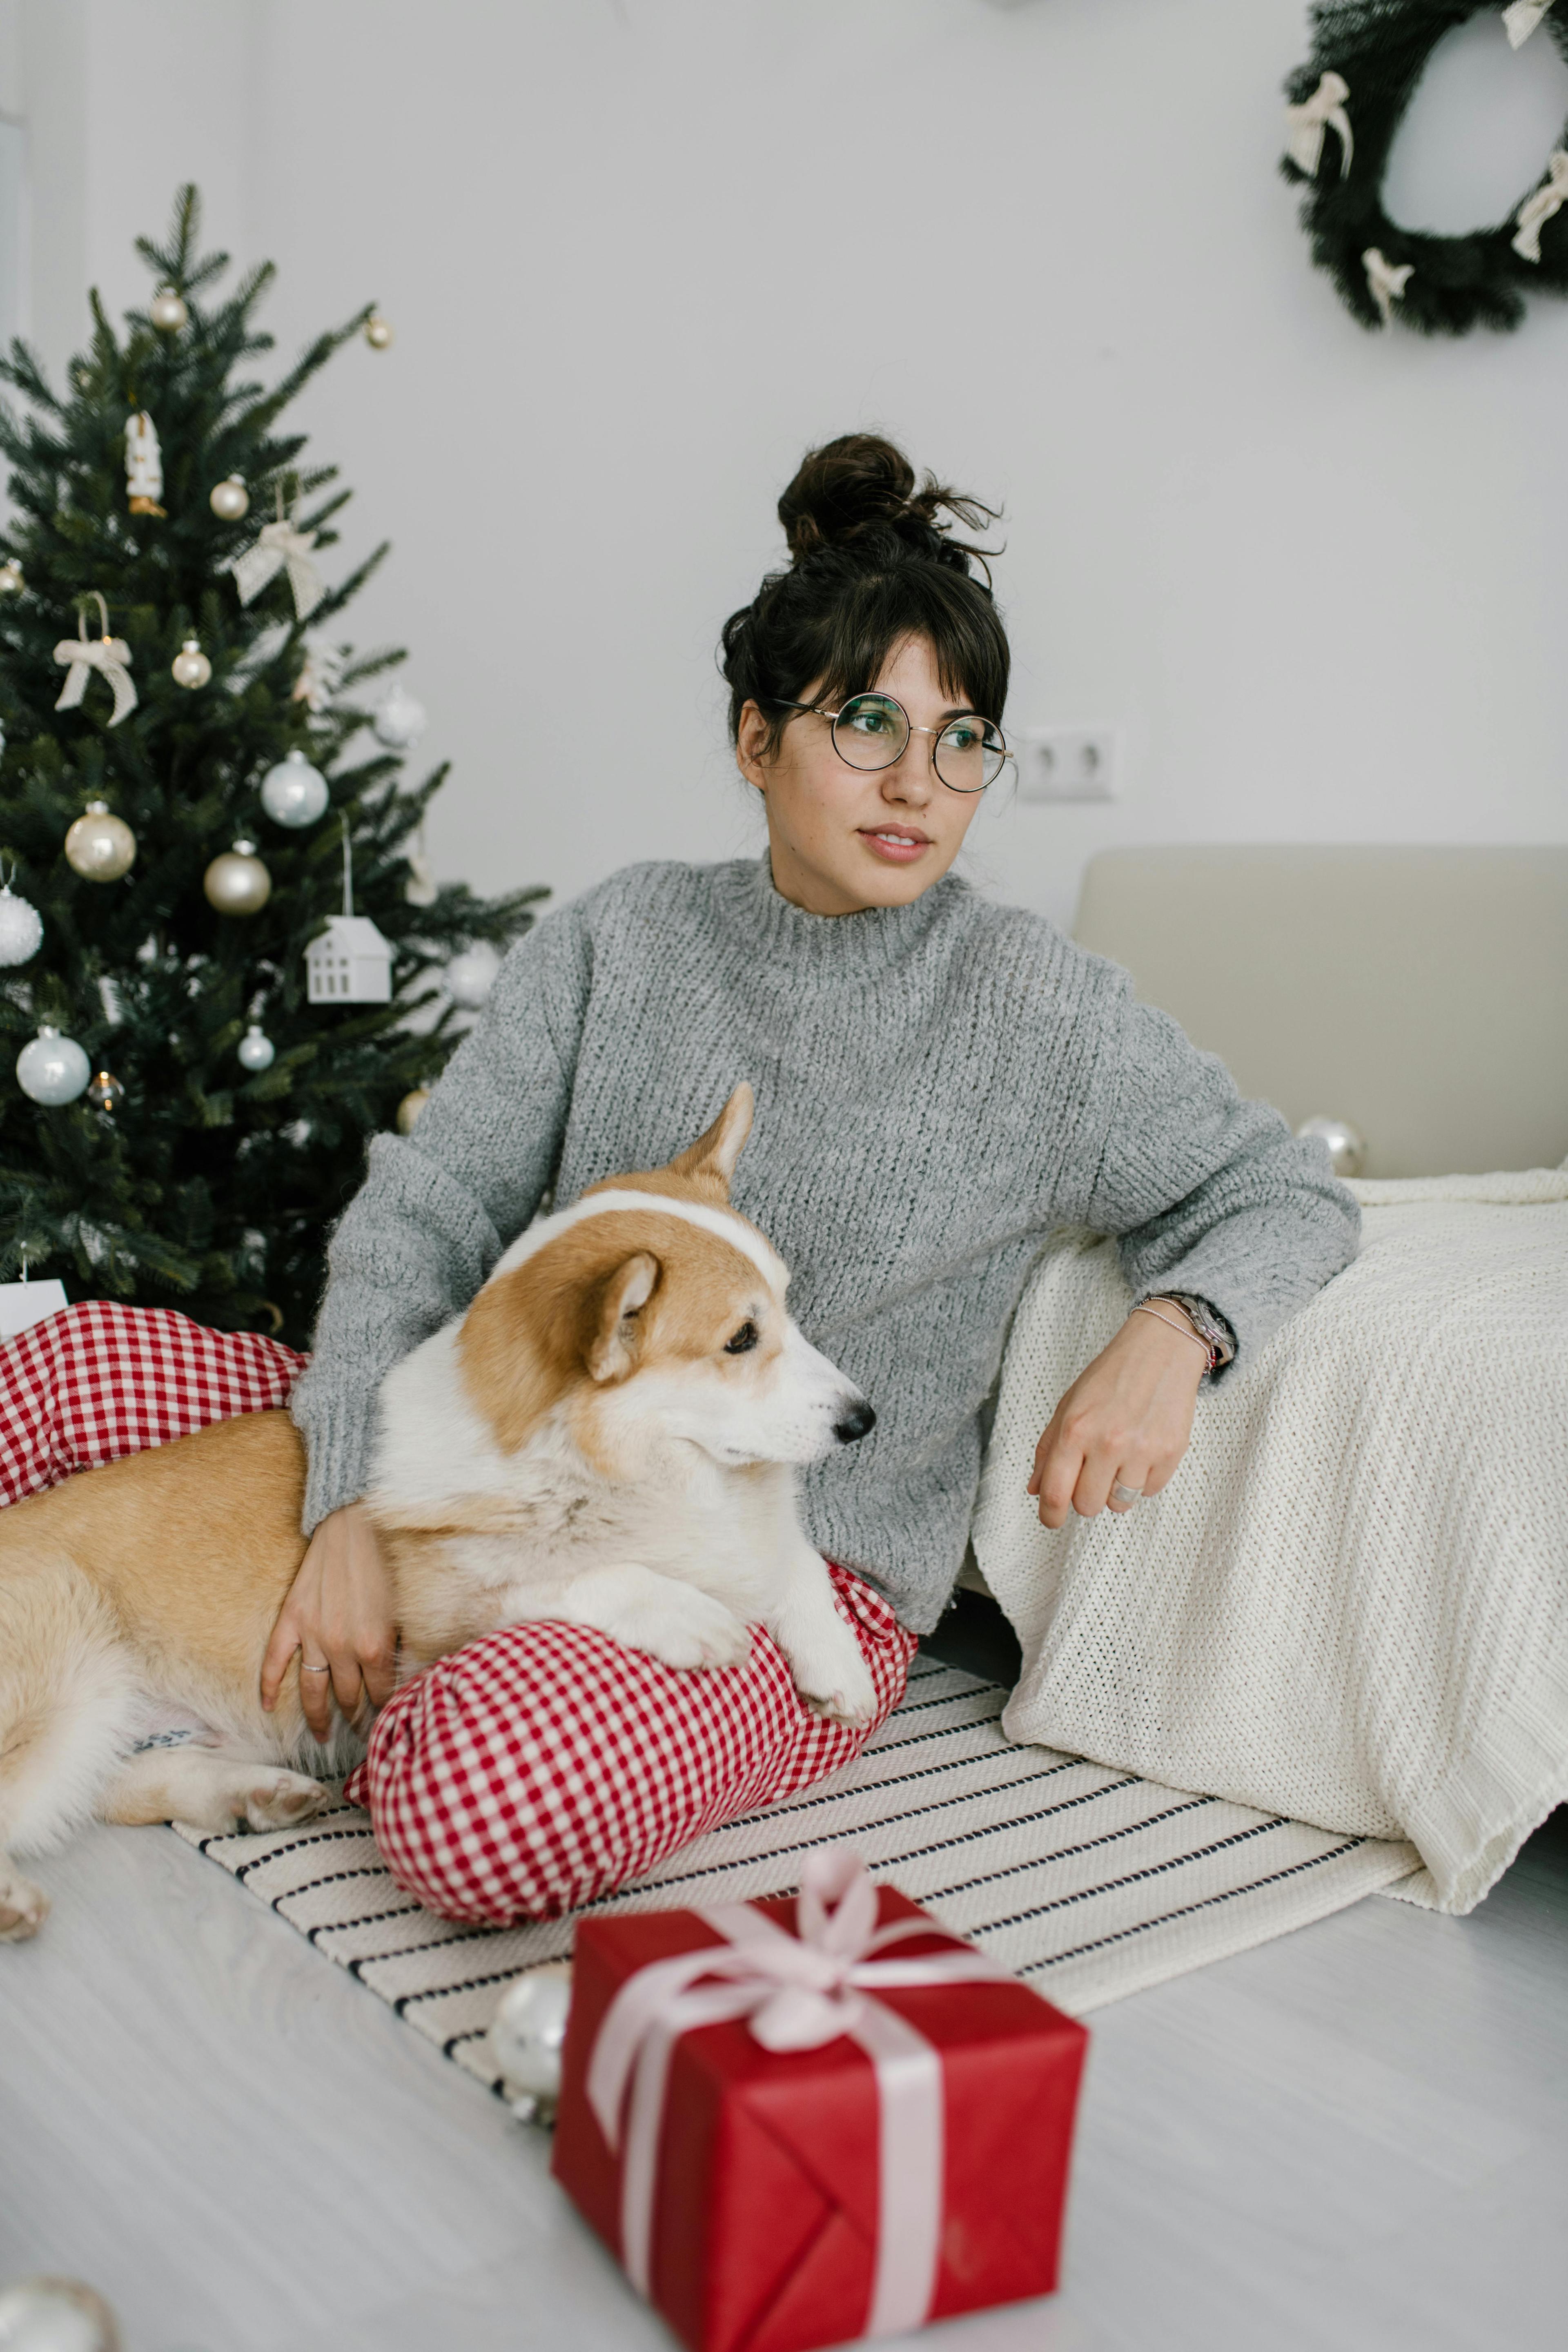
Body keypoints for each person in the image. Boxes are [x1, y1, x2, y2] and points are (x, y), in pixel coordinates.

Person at [5, 434, 1357, 1924]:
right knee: (49, 1365)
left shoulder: (1038, 1010)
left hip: (768, 1576)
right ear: (754, 738)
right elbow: (430, 1208)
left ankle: (354, 1697)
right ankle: (283, 1667)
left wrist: (1177, 1335)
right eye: (868, 724)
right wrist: (347, 1501)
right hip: (477, 1464)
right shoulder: (619, 941)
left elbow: (1285, 1188)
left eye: (965, 738)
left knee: (479, 1805)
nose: (923, 780)